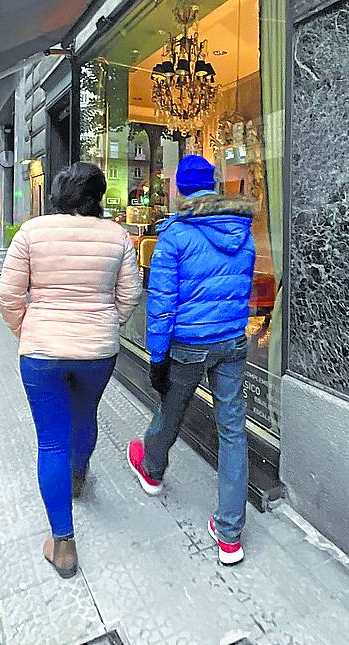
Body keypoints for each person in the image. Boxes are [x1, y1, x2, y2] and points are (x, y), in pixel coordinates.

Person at [0, 162, 142, 579]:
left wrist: (23, 329)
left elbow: (7, 295)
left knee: (50, 442)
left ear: (58, 195)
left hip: (42, 351)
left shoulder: (32, 232)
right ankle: (78, 478)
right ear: (96, 196)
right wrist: (107, 322)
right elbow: (130, 293)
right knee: (86, 415)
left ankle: (63, 544)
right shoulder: (116, 235)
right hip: (97, 351)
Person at [127, 154, 256, 565]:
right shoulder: (243, 231)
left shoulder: (175, 234)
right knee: (233, 431)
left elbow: (161, 304)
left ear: (181, 188)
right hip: (232, 341)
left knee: (172, 407)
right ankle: (230, 535)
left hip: (189, 343)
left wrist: (158, 355)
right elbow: (240, 292)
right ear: (214, 186)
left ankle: (152, 469)